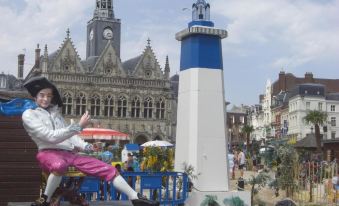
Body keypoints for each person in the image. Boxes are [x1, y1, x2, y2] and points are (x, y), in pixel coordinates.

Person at [22, 76, 158, 206]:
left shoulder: (57, 115)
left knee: (107, 169)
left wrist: (88, 147)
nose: (46, 99)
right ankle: (45, 199)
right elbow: (50, 136)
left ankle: (135, 197)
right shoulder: (29, 114)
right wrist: (78, 126)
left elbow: (72, 137)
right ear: (35, 97)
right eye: (42, 95)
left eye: (49, 95)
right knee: (59, 165)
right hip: (47, 153)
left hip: (69, 154)